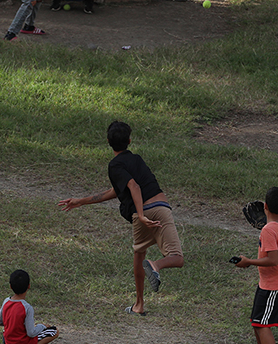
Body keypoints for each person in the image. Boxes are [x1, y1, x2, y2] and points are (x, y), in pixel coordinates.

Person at [57, 120, 184, 316]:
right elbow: (116, 190)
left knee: (139, 254)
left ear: (108, 141)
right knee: (177, 258)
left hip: (142, 212)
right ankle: (156, 267)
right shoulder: (137, 160)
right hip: (160, 207)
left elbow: (133, 186)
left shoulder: (115, 165)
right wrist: (81, 201)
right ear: (130, 141)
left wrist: (140, 215)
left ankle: (140, 303)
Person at [233, 186, 278, 344]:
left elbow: (273, 260)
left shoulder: (268, 230)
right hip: (267, 284)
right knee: (257, 323)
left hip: (274, 286)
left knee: (264, 326)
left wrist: (248, 261)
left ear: (265, 205)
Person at [0, 269, 58, 344]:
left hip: (8, 339)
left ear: (10, 286)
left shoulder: (6, 301)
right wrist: (42, 326)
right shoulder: (27, 308)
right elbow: (31, 333)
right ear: (29, 286)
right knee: (54, 331)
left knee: (11, 331)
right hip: (23, 342)